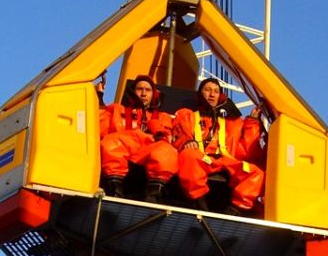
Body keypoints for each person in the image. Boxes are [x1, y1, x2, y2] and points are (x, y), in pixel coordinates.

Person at [172, 78, 265, 216]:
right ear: (200, 94)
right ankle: (199, 203)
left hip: (225, 161)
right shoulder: (187, 115)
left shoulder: (234, 122)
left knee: (256, 173)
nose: (212, 94)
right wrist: (186, 142)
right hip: (202, 159)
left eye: (216, 91)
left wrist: (252, 121)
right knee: (189, 155)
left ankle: (234, 210)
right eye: (208, 90)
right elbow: (180, 132)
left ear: (220, 96)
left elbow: (247, 149)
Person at [99, 75, 178, 202]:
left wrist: (157, 129)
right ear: (133, 91)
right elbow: (101, 130)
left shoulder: (163, 117)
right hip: (122, 150)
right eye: (140, 89)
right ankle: (114, 190)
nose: (143, 93)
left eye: (148, 90)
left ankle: (153, 194)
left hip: (150, 152)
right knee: (111, 142)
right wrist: (99, 100)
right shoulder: (117, 110)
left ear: (154, 94)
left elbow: (168, 138)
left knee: (166, 150)